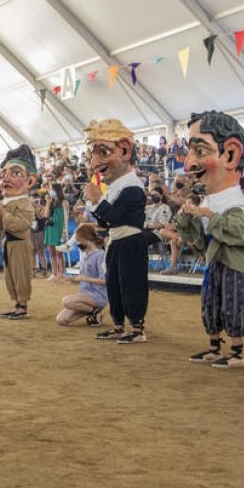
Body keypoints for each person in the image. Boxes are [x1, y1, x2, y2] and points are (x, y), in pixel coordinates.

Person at [178, 111, 244, 367]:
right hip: (214, 259)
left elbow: (236, 233)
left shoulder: (234, 202)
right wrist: (189, 215)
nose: (189, 165)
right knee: (211, 301)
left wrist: (207, 214)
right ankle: (214, 345)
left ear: (230, 154)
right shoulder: (209, 199)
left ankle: (236, 351)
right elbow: (196, 234)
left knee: (233, 301)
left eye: (200, 151)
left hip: (232, 262)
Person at [84, 119, 149, 344]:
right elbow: (106, 221)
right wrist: (95, 202)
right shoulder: (117, 187)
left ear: (124, 150)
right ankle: (119, 325)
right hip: (117, 241)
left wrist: (98, 201)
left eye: (103, 152)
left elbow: (117, 217)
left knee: (131, 284)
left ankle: (137, 328)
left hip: (130, 242)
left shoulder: (133, 187)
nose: (94, 163)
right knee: (114, 284)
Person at [0, 145, 39, 319]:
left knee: (20, 274)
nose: (5, 179)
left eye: (15, 173)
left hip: (20, 243)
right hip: (8, 243)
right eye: (4, 173)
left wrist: (3, 213)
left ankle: (23, 306)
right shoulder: (7, 203)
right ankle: (17, 304)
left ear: (30, 181)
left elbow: (21, 224)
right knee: (11, 275)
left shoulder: (25, 203)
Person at [55, 224, 108, 326]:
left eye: (79, 240)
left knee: (67, 301)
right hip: (85, 295)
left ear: (86, 238)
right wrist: (67, 278)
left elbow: (105, 281)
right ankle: (94, 312)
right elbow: (81, 277)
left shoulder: (100, 255)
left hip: (98, 295)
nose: (78, 243)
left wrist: (85, 279)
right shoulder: (85, 254)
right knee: (61, 320)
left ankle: (95, 311)